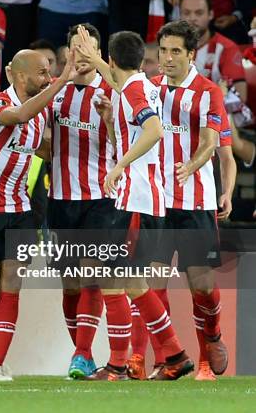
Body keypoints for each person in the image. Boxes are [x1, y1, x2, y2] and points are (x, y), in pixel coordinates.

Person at [76, 27, 194, 381]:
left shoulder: (135, 90)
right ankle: (170, 354)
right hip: (144, 198)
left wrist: (120, 164)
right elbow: (120, 83)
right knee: (123, 282)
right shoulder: (136, 85)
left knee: (122, 282)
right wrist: (96, 59)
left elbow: (155, 129)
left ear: (113, 59)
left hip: (136, 197)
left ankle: (131, 361)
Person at [0, 48, 75, 381]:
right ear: (21, 76)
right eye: (42, 72)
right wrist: (63, 79)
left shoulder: (42, 111)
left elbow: (44, 143)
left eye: (51, 72)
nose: (48, 78)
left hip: (19, 210)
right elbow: (18, 117)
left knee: (12, 284)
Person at [140, 20, 235, 381]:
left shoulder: (208, 90)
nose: (166, 58)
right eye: (162, 50)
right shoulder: (151, 89)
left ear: (190, 54)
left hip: (195, 201)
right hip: (158, 202)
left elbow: (214, 145)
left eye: (175, 51)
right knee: (154, 283)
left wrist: (198, 173)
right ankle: (169, 357)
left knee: (202, 286)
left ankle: (211, 341)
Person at [47, 24, 115, 379]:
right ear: (67, 54)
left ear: (100, 55)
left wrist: (109, 120)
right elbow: (41, 143)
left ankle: (81, 352)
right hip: (60, 199)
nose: (81, 56)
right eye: (75, 49)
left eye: (88, 49)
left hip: (100, 199)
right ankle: (83, 356)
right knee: (70, 284)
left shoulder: (112, 92)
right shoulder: (54, 93)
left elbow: (136, 143)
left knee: (91, 275)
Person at [180, 0, 248, 122]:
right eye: (186, 13)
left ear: (210, 14)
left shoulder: (226, 48)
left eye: (199, 13)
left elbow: (240, 97)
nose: (192, 18)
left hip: (222, 127)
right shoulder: (169, 48)